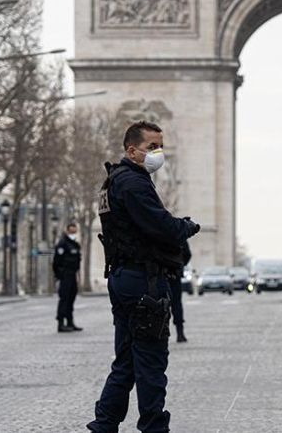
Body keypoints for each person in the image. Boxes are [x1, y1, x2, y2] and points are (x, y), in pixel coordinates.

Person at [87, 121, 201, 433]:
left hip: (125, 276)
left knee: (126, 360)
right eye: (152, 147)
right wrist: (186, 227)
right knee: (150, 360)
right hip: (142, 280)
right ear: (132, 150)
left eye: (160, 146)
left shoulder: (113, 181)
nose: (158, 153)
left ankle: (105, 423)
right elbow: (159, 225)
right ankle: (153, 428)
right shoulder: (134, 183)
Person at [53, 222, 84, 333]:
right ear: (67, 231)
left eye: (74, 231)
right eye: (71, 231)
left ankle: (70, 322)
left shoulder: (75, 244)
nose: (73, 233)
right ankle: (61, 323)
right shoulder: (62, 244)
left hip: (73, 275)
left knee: (71, 298)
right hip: (65, 275)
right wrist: (60, 276)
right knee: (64, 299)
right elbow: (56, 262)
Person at [166, 240, 192, 343]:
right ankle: (180, 333)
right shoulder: (178, 234)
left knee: (160, 303)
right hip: (175, 275)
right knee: (176, 304)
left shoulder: (158, 231)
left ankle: (162, 332)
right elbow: (188, 254)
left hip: (160, 275)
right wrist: (180, 264)